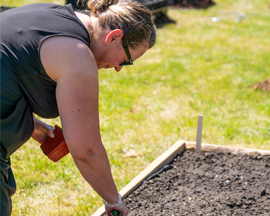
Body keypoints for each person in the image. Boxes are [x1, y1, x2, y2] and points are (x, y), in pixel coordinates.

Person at [0, 0, 156, 215]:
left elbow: (11, 62)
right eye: (127, 60)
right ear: (114, 37)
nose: (119, 68)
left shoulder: (51, 12)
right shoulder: (77, 54)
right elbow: (86, 150)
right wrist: (114, 201)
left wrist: (30, 124)